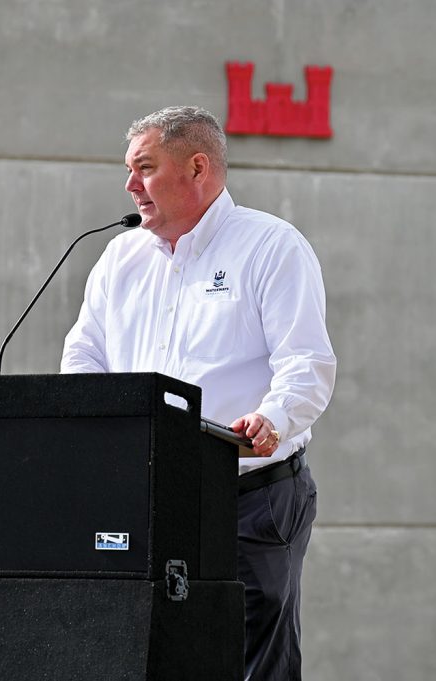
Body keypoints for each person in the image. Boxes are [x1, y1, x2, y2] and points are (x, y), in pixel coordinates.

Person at [61, 105, 336, 680]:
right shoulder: (121, 256)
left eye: (145, 168)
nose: (130, 185)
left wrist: (273, 418)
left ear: (197, 168)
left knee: (250, 663)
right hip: (149, 498)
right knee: (154, 655)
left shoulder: (270, 247)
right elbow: (85, 353)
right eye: (129, 171)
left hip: (250, 497)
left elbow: (306, 363)